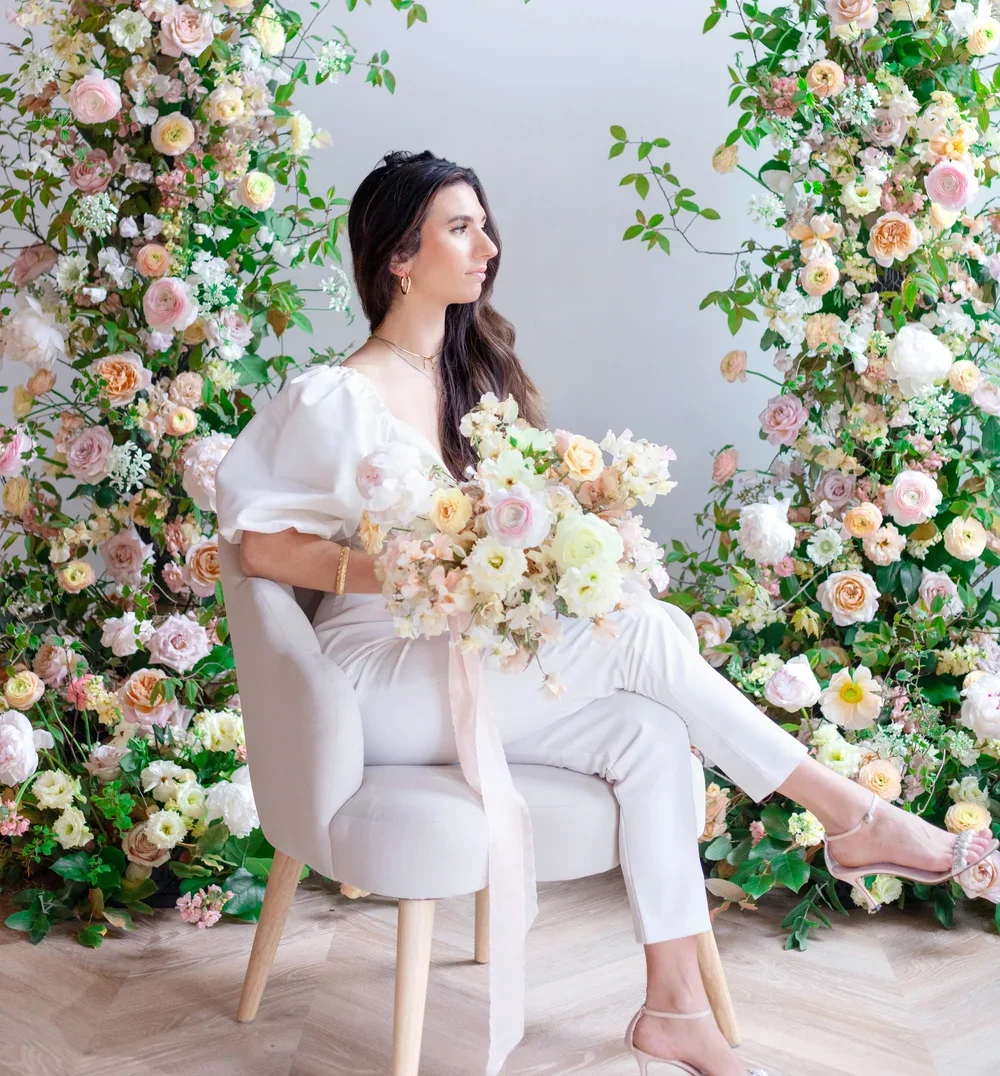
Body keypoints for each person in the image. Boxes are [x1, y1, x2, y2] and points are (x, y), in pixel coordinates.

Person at [215, 149, 998, 1076]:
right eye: (459, 228)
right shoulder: (335, 396)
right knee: (640, 631)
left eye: (483, 224)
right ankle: (849, 813)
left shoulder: (476, 382)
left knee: (648, 734)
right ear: (397, 255)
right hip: (372, 678)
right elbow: (259, 548)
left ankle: (674, 1007)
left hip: (468, 659)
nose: (486, 246)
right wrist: (392, 567)